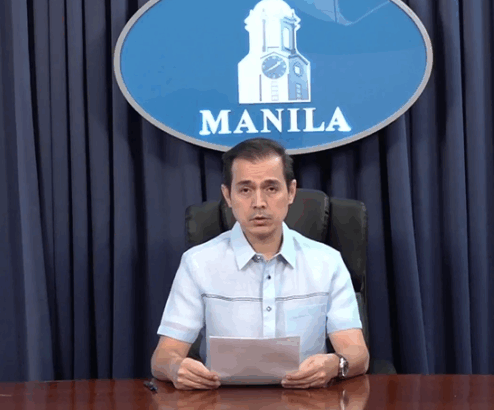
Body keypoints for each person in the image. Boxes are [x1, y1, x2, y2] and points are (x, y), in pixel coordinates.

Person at [150, 138, 369, 390]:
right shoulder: (197, 263)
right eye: (245, 190)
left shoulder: (327, 262)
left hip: (307, 399)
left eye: (271, 188)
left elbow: (358, 355)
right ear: (227, 195)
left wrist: (336, 364)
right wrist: (175, 368)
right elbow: (163, 357)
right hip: (222, 400)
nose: (259, 203)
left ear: (291, 192)